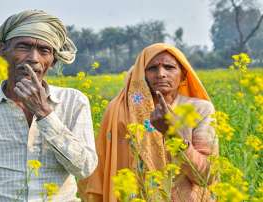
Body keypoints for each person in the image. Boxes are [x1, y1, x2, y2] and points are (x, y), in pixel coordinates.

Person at [0, 10, 98, 201]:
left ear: (52, 60)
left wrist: (45, 113)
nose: (33, 58)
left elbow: (85, 168)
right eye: (23, 47)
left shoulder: (74, 101)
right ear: (2, 50)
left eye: (44, 50)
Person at [79, 43, 219, 202]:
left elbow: (207, 177)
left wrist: (173, 134)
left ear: (183, 75)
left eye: (169, 67)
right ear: (141, 74)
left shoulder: (200, 110)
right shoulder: (121, 110)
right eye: (152, 68)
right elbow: (103, 168)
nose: (161, 74)